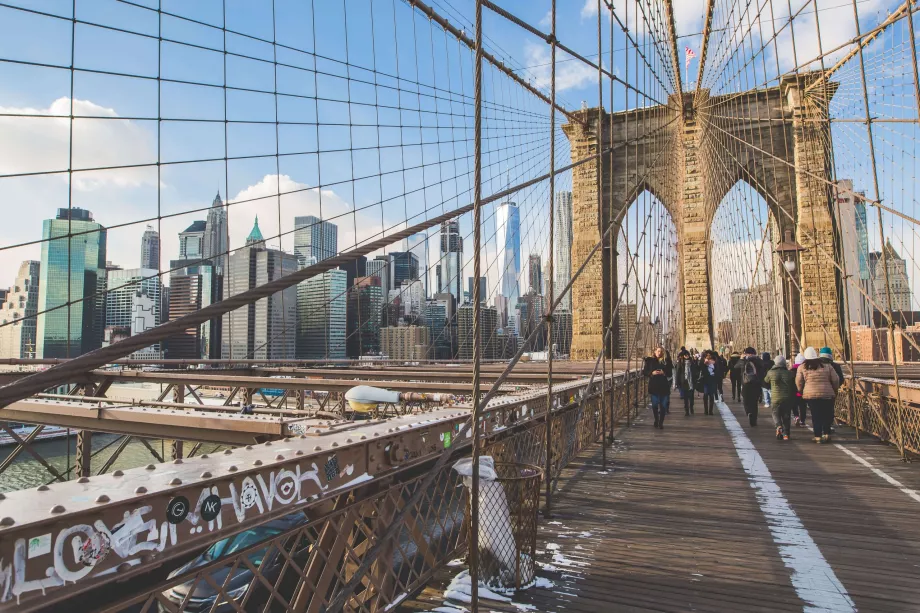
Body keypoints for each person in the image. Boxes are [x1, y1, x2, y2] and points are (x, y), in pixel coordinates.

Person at [796, 346, 840, 443]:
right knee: (826, 414)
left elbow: (799, 381)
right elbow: (836, 379)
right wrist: (834, 390)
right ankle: (827, 434)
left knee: (816, 415)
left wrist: (801, 391)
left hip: (811, 395)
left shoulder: (802, 367)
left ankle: (818, 436)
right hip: (827, 394)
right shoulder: (827, 366)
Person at [763, 355, 796, 440]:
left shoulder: (771, 372)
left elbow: (765, 381)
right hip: (787, 398)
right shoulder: (789, 373)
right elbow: (793, 385)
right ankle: (786, 434)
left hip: (775, 398)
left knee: (775, 413)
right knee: (786, 416)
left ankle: (778, 426)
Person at [643, 347, 673, 429]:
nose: (659, 353)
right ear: (655, 352)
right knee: (655, 405)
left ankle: (661, 423)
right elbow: (644, 372)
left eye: (661, 351)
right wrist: (651, 373)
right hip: (654, 386)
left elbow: (670, 373)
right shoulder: (650, 361)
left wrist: (664, 372)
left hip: (664, 386)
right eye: (658, 351)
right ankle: (656, 419)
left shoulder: (666, 362)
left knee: (663, 406)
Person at [734, 347, 764, 426]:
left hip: (746, 384)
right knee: (754, 403)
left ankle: (748, 412)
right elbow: (763, 368)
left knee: (746, 401)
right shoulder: (758, 360)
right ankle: (754, 420)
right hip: (756, 384)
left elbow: (736, 367)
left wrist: (741, 359)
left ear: (746, 353)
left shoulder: (744, 361)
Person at [697, 351, 721, 415]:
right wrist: (705, 363)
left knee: (711, 395)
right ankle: (706, 410)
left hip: (712, 380)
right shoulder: (703, 362)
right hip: (705, 380)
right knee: (705, 394)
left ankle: (710, 410)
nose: (708, 356)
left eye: (709, 355)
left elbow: (717, 371)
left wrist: (715, 377)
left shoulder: (715, 362)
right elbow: (701, 368)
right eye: (707, 355)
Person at [675, 350, 699, 416]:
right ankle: (686, 410)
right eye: (685, 355)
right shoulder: (680, 363)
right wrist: (677, 383)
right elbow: (678, 373)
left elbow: (696, 370)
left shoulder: (692, 362)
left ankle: (691, 407)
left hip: (691, 382)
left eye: (687, 355)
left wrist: (696, 377)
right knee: (685, 397)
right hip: (684, 382)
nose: (686, 356)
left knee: (691, 396)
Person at [791, 353, 807, 427]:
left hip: (794, 392)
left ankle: (796, 416)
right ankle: (802, 421)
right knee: (803, 406)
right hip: (803, 392)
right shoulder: (805, 370)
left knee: (794, 405)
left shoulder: (791, 371)